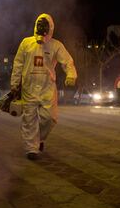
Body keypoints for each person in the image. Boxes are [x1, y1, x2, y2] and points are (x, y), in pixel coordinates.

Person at [10, 13, 77, 160]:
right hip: (29, 88)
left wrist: (71, 75)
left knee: (50, 118)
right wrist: (15, 84)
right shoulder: (26, 43)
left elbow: (67, 61)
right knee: (29, 120)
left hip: (47, 88)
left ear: (50, 30)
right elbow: (18, 65)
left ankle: (39, 139)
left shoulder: (55, 45)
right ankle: (31, 149)